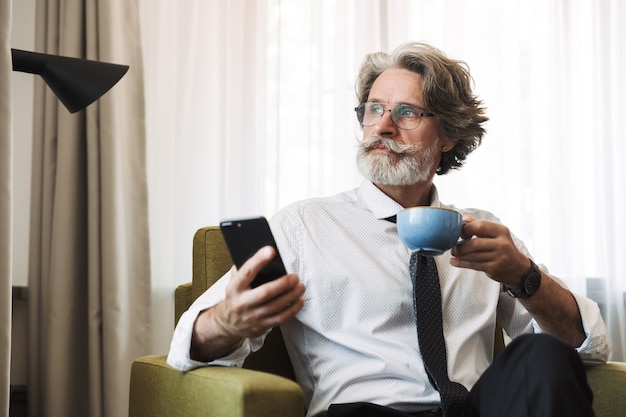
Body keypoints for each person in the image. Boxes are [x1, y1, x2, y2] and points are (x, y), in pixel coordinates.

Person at [167, 42, 611, 417]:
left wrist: (523, 276)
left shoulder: (485, 235)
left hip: (471, 408)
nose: (382, 125)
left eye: (406, 112)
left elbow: (587, 346)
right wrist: (227, 321)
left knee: (541, 355)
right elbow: (186, 344)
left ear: (449, 135)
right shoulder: (304, 225)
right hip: (365, 410)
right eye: (374, 109)